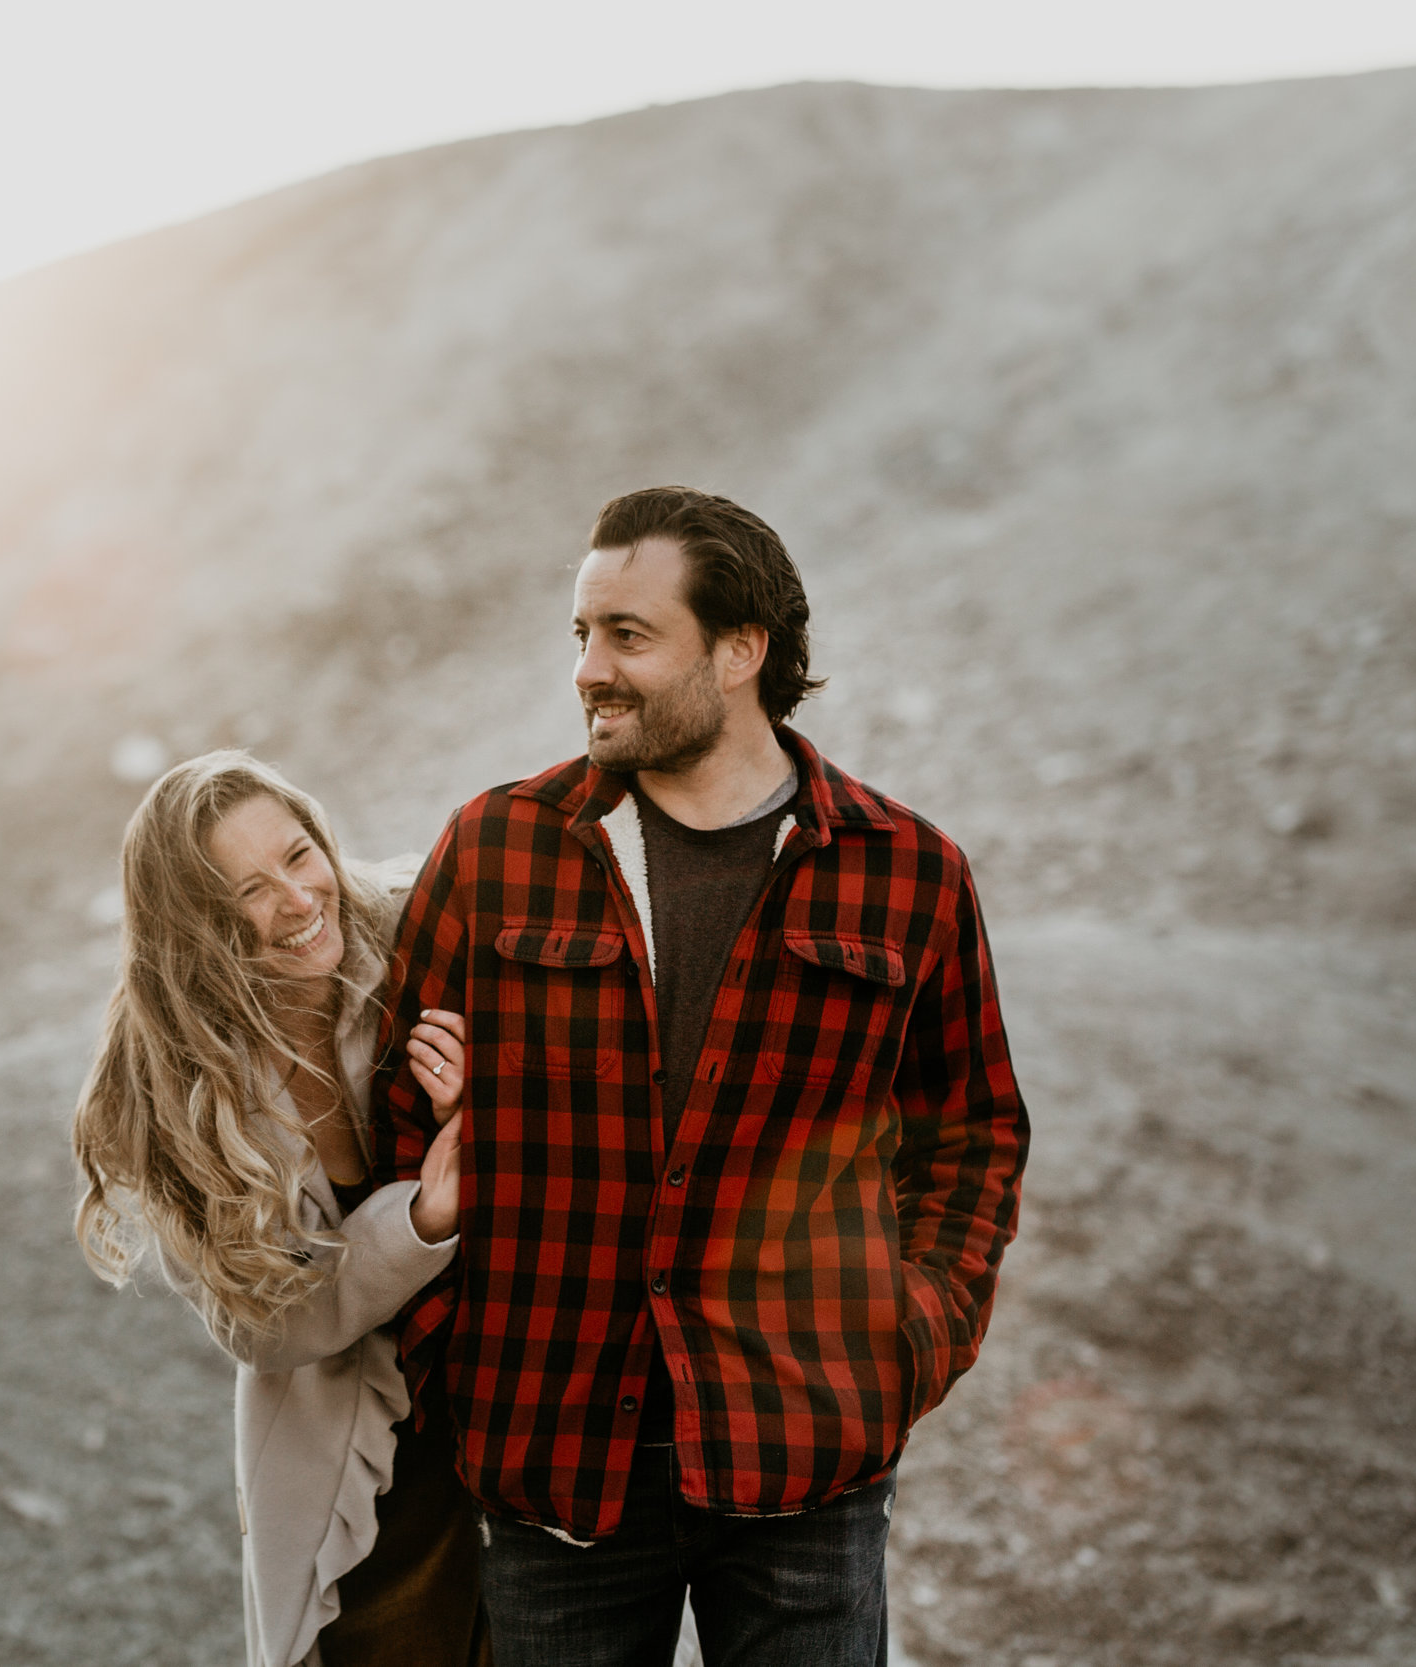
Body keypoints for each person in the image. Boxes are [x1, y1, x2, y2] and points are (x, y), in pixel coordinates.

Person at [373, 486, 1030, 1667]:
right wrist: (454, 1357)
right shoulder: (496, 849)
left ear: (738, 651)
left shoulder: (907, 873)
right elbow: (387, 1114)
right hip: (553, 1459)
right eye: (580, 634)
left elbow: (973, 1139)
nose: (589, 668)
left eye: (628, 634)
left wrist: (905, 1346)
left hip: (806, 1460)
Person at [73, 751, 491, 1667]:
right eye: (246, 895)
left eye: (299, 856)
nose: (298, 902)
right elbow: (262, 1321)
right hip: (364, 1479)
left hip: (520, 1418)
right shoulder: (169, 1086)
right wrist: (421, 1219)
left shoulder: (420, 930)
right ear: (194, 930)